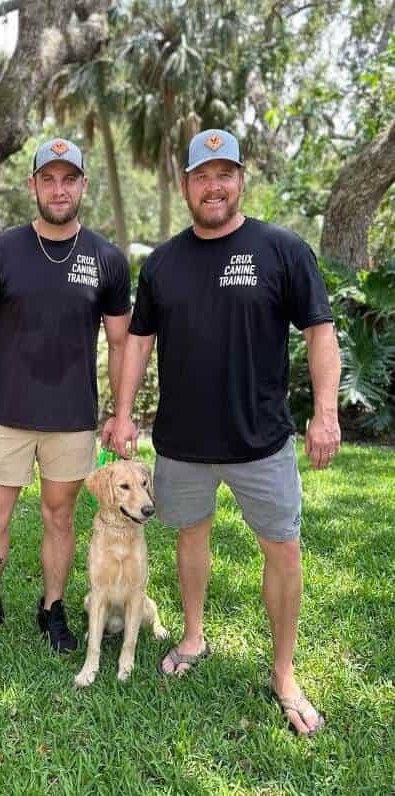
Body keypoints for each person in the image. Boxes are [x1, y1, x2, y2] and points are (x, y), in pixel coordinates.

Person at [110, 129, 341, 736]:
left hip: (260, 439)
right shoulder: (162, 263)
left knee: (282, 549)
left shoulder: (282, 249)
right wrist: (124, 411)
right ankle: (192, 637)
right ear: (185, 185)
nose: (213, 186)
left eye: (224, 174)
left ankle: (284, 672)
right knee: (190, 536)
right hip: (182, 442)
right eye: (201, 176)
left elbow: (320, 332)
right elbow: (138, 341)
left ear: (241, 180)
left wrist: (326, 412)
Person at [0, 138, 131, 653]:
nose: (58, 189)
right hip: (7, 414)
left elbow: (120, 343)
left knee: (59, 516)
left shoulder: (107, 259)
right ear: (32, 185)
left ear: (83, 186)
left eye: (68, 179)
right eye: (47, 179)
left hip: (72, 417)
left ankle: (52, 607)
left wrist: (121, 414)